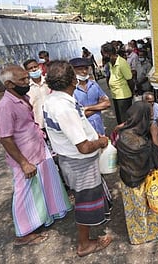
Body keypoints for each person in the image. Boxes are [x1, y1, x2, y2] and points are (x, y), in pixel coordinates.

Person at [0, 65, 72, 246]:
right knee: (25, 193)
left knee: (47, 183)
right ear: (9, 84)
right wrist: (23, 163)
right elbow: (6, 139)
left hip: (38, 148)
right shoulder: (5, 107)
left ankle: (49, 215)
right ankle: (23, 234)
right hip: (24, 157)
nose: (27, 82)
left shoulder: (23, 97)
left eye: (27, 78)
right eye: (22, 80)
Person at [43, 60, 112, 257]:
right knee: (85, 201)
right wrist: (101, 142)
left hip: (71, 158)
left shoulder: (55, 99)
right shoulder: (63, 108)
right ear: (73, 80)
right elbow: (83, 147)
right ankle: (84, 244)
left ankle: (88, 236)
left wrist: (93, 136)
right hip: (79, 163)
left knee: (87, 198)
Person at [116, 102, 158, 244]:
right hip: (146, 182)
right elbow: (156, 160)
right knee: (152, 206)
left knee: (137, 210)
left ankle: (139, 236)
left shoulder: (123, 134)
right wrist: (155, 135)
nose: (152, 121)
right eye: (150, 117)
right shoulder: (142, 141)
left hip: (129, 180)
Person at [70, 57, 111, 135]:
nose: (84, 71)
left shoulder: (93, 84)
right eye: (80, 69)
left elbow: (107, 103)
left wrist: (87, 108)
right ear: (73, 71)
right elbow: (78, 115)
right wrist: (99, 107)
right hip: (84, 131)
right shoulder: (71, 89)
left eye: (86, 68)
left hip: (99, 127)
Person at [101, 42, 134, 124]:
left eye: (103, 54)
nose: (102, 56)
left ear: (108, 53)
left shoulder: (122, 63)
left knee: (124, 119)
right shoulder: (110, 63)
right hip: (115, 95)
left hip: (123, 95)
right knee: (119, 119)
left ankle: (126, 135)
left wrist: (131, 93)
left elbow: (130, 80)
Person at [23, 58, 50, 131]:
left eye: (35, 67)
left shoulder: (49, 82)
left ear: (39, 67)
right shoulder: (26, 88)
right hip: (39, 125)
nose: (34, 69)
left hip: (53, 121)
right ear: (26, 71)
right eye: (30, 68)